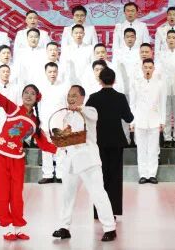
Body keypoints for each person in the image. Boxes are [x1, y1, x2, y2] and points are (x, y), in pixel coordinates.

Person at [0, 81, 57, 241]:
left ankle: (18, 228)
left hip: (17, 158)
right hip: (0, 154)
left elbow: (43, 143)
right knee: (1, 192)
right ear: (22, 96)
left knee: (16, 194)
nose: (28, 95)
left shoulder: (35, 122)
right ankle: (7, 228)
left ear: (37, 98)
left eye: (32, 93)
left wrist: (60, 148)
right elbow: (2, 100)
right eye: (26, 92)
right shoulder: (14, 109)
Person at [52, 85, 118, 242]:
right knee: (67, 195)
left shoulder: (89, 110)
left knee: (98, 194)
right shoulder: (67, 116)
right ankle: (64, 227)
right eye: (69, 95)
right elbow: (66, 137)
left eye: (74, 95)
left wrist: (79, 108)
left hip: (88, 161)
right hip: (71, 161)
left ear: (82, 97)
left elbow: (93, 116)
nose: (71, 98)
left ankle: (110, 228)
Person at [85, 67, 134, 217]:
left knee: (99, 178)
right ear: (114, 80)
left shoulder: (93, 98)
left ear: (100, 80)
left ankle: (99, 212)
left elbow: (86, 116)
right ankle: (113, 210)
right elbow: (129, 118)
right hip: (116, 141)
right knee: (115, 177)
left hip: (98, 142)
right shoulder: (120, 97)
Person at [130, 59, 165, 183]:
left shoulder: (159, 84)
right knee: (141, 149)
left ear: (154, 69)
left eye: (150, 67)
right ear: (142, 68)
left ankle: (152, 174)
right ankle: (143, 174)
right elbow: (132, 103)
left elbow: (162, 103)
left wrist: (162, 121)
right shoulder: (136, 83)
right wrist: (132, 121)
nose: (148, 70)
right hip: (140, 120)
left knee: (153, 149)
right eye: (145, 67)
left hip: (154, 120)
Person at [37, 62, 68, 184]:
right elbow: (37, 106)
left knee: (61, 150)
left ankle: (61, 174)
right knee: (46, 149)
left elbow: (67, 106)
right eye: (50, 72)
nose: (52, 74)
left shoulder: (64, 87)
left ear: (58, 72)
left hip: (60, 123)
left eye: (54, 71)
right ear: (45, 73)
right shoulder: (40, 88)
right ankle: (48, 174)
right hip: (45, 123)